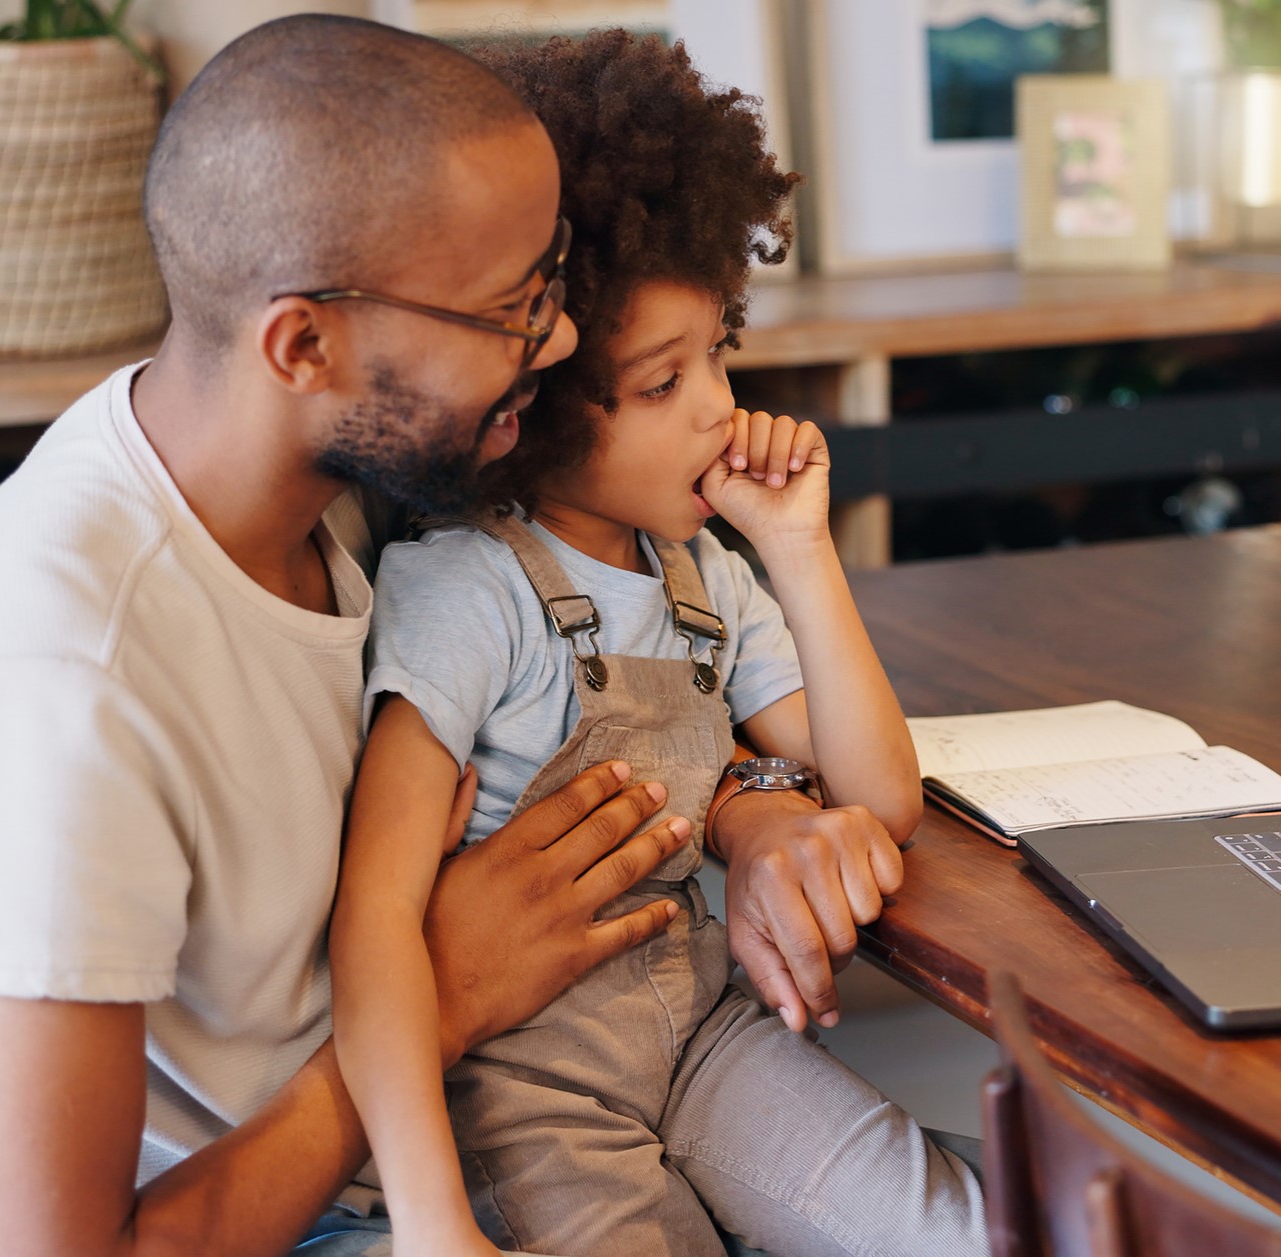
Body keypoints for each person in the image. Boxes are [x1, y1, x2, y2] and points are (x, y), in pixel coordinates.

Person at [0, 17, 888, 1255]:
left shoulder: (318, 473)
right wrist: (440, 1000)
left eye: (551, 285)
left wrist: (755, 798)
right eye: (512, 309)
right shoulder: (58, 689)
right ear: (303, 345)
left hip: (498, 1119)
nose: (555, 346)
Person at [331, 31, 984, 1257]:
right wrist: (431, 1223)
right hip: (530, 1097)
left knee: (967, 1227)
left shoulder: (706, 576)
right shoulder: (464, 591)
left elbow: (880, 795)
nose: (720, 410)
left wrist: (800, 548)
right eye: (661, 383)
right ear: (531, 410)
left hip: (703, 1042)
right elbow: (373, 922)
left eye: (719, 355)